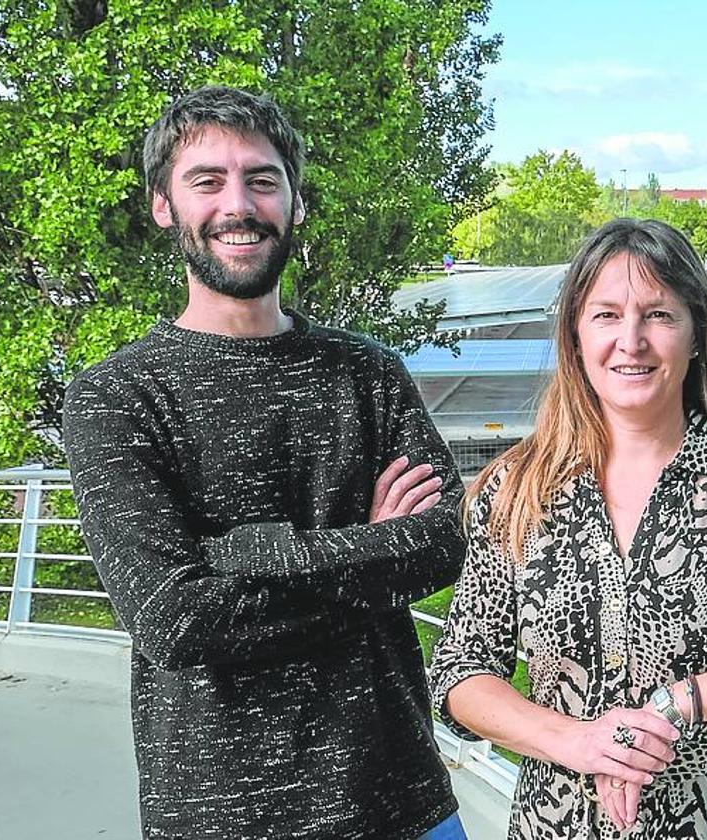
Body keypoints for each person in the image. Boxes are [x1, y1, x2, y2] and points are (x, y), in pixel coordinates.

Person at [62, 86, 467, 840]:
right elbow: (174, 620)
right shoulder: (115, 398)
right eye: (206, 181)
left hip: (405, 802)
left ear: (296, 204)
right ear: (164, 206)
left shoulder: (368, 373)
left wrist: (247, 556)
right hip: (222, 818)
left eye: (262, 179)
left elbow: (442, 543)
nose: (237, 204)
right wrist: (373, 548)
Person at [428, 219, 707, 839]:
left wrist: (678, 702)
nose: (632, 341)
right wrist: (582, 743)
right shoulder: (518, 489)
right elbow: (460, 671)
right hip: (554, 824)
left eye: (660, 316)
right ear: (575, 337)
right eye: (607, 315)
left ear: (696, 335)